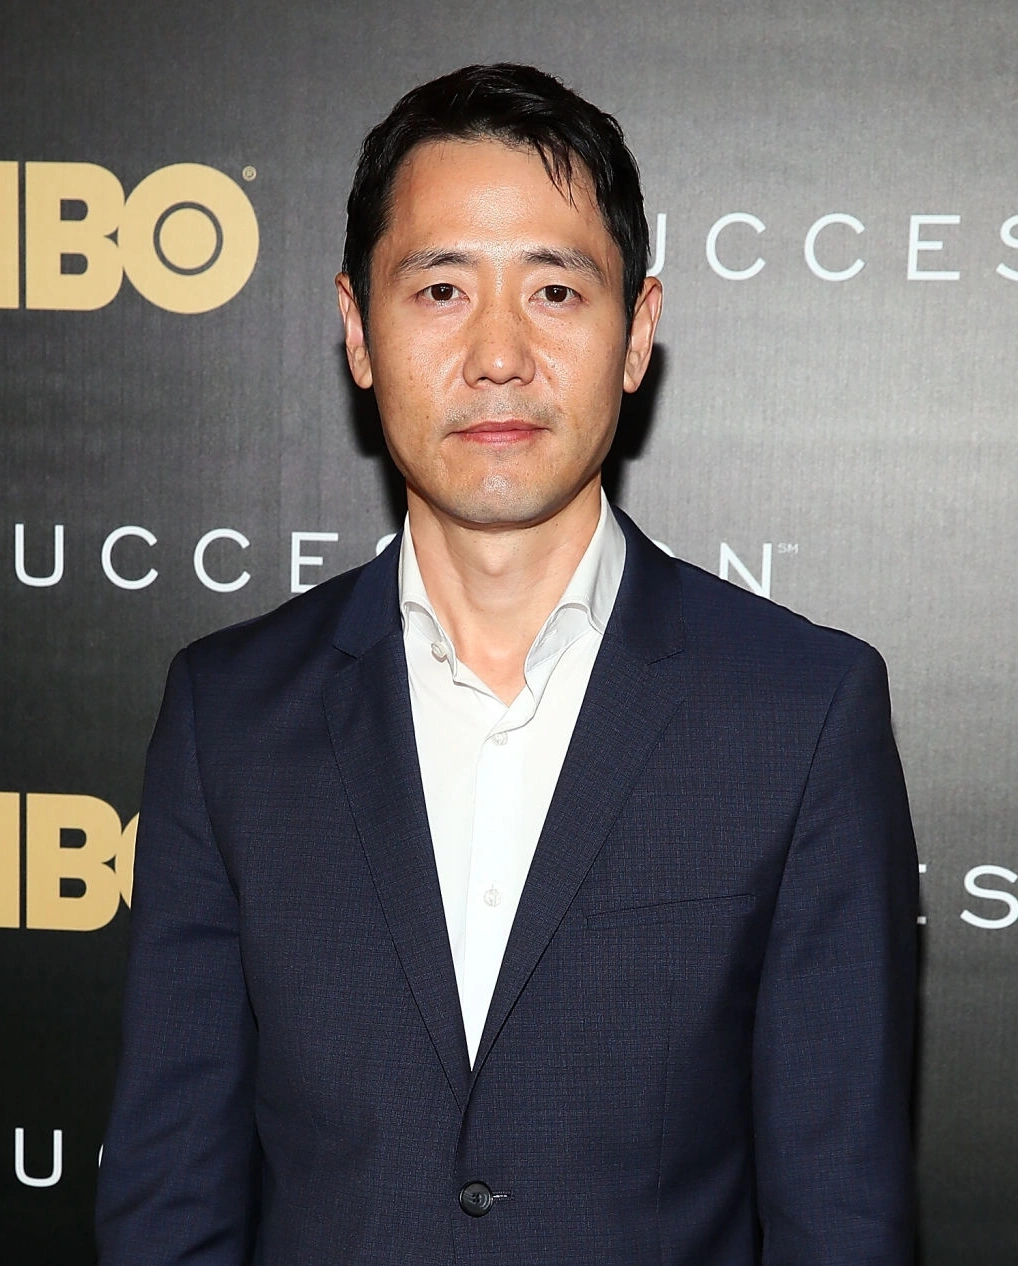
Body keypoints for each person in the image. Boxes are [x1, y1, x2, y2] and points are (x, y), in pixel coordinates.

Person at [95, 62, 918, 1265]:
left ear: (636, 332)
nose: (497, 355)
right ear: (356, 329)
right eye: (440, 289)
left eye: (554, 291)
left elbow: (838, 1216)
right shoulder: (229, 716)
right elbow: (172, 1203)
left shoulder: (799, 714)